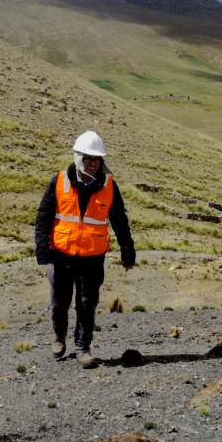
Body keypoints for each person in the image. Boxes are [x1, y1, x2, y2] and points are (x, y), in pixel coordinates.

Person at [35, 131, 135, 368]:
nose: (93, 162)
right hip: (61, 256)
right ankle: (59, 337)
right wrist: (42, 250)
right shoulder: (59, 181)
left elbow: (120, 221)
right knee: (59, 303)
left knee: (87, 305)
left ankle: (83, 349)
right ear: (78, 157)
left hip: (92, 258)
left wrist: (127, 252)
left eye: (97, 159)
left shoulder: (109, 186)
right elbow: (43, 218)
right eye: (88, 158)